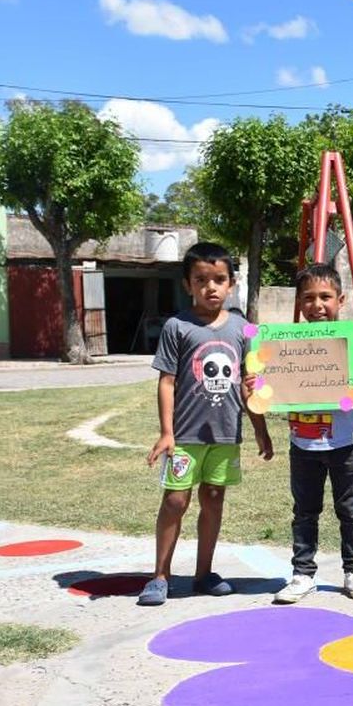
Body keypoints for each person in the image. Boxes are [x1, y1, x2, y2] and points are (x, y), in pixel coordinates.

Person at [139, 242, 273, 606]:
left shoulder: (243, 329)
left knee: (213, 499)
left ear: (231, 284)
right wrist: (167, 432)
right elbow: (166, 382)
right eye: (201, 280)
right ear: (187, 285)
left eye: (219, 279)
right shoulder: (177, 326)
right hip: (185, 436)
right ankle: (160, 576)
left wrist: (260, 430)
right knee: (176, 501)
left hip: (226, 435)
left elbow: (251, 386)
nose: (210, 287)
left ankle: (204, 574)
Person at [272, 263, 353, 604]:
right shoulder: (287, 345)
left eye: (325, 297)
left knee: (351, 510)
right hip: (303, 444)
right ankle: (302, 574)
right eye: (308, 298)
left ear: (341, 300)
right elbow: (272, 392)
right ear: (299, 303)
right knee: (305, 512)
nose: (317, 305)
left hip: (346, 443)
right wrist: (259, 384)